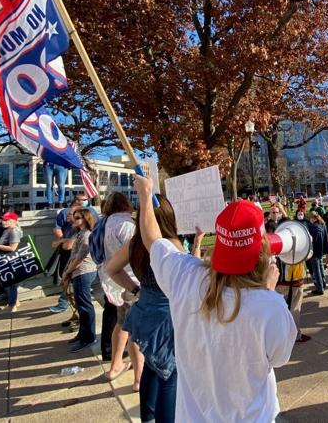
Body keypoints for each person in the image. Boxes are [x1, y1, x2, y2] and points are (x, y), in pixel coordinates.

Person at [135, 175, 296, 422]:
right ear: (261, 249)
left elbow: (153, 240)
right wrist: (269, 291)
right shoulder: (270, 306)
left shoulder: (184, 276)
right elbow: (279, 358)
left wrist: (145, 196)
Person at [107, 194, 198, 423]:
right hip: (166, 314)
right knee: (170, 374)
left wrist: (136, 290)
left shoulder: (135, 243)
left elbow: (112, 269)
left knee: (151, 366)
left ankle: (147, 417)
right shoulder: (170, 245)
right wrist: (196, 246)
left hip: (144, 307)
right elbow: (189, 275)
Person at [99, 192, 144, 387]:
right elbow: (135, 252)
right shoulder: (126, 225)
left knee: (122, 324)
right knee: (135, 331)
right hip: (132, 281)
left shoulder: (106, 223)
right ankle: (139, 378)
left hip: (117, 280)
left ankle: (115, 365)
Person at [62, 207, 98, 352]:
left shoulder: (86, 235)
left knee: (85, 305)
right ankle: (82, 333)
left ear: (86, 219)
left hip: (84, 272)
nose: (74, 220)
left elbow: (80, 258)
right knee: (80, 305)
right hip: (77, 272)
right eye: (74, 217)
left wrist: (68, 272)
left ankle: (88, 336)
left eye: (78, 218)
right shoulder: (80, 234)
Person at [0, 212, 23, 313]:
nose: (3, 222)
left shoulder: (14, 231)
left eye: (6, 220)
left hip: (10, 259)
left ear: (13, 221)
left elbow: (12, 248)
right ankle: (15, 302)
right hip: (8, 259)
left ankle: (12, 306)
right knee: (10, 283)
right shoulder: (9, 229)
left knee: (10, 283)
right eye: (3, 220)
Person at [307, 211, 328, 295]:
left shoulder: (314, 227)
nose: (310, 220)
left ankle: (320, 288)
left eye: (310, 218)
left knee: (317, 270)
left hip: (315, 251)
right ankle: (323, 283)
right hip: (320, 250)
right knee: (321, 267)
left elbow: (312, 240)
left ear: (314, 218)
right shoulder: (322, 224)